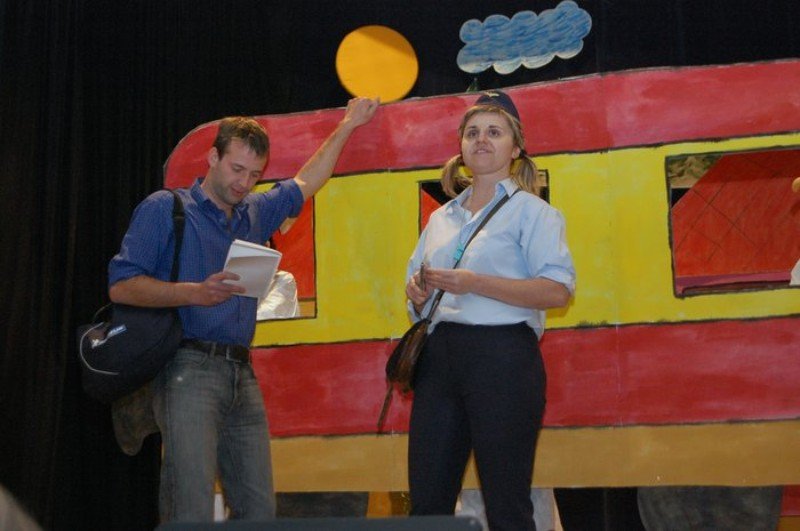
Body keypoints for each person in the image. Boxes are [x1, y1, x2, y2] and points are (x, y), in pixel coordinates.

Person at [108, 97, 378, 522]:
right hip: (186, 369)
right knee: (190, 504)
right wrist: (194, 293)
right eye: (237, 169)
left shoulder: (254, 212)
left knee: (258, 509)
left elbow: (307, 180)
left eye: (254, 174)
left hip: (242, 373)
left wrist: (347, 125)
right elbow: (122, 286)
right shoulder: (166, 208)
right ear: (212, 157)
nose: (244, 183)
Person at [404, 90, 576, 531]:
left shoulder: (534, 213)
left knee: (506, 503)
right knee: (426, 503)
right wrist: (417, 295)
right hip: (439, 357)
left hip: (504, 357)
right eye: (473, 132)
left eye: (494, 133)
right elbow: (416, 290)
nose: (482, 140)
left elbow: (557, 291)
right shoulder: (440, 217)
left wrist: (475, 283)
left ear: (515, 149)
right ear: (461, 146)